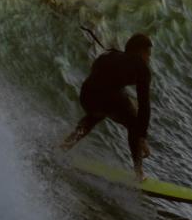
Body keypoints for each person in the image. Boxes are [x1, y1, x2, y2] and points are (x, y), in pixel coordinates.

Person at [62, 32, 153, 180]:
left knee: (95, 115)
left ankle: (65, 145)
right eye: (148, 54)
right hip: (108, 96)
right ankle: (139, 172)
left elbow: (98, 77)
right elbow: (145, 105)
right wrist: (142, 136)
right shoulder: (141, 67)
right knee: (134, 123)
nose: (149, 58)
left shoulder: (108, 56)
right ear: (140, 52)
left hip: (87, 95)